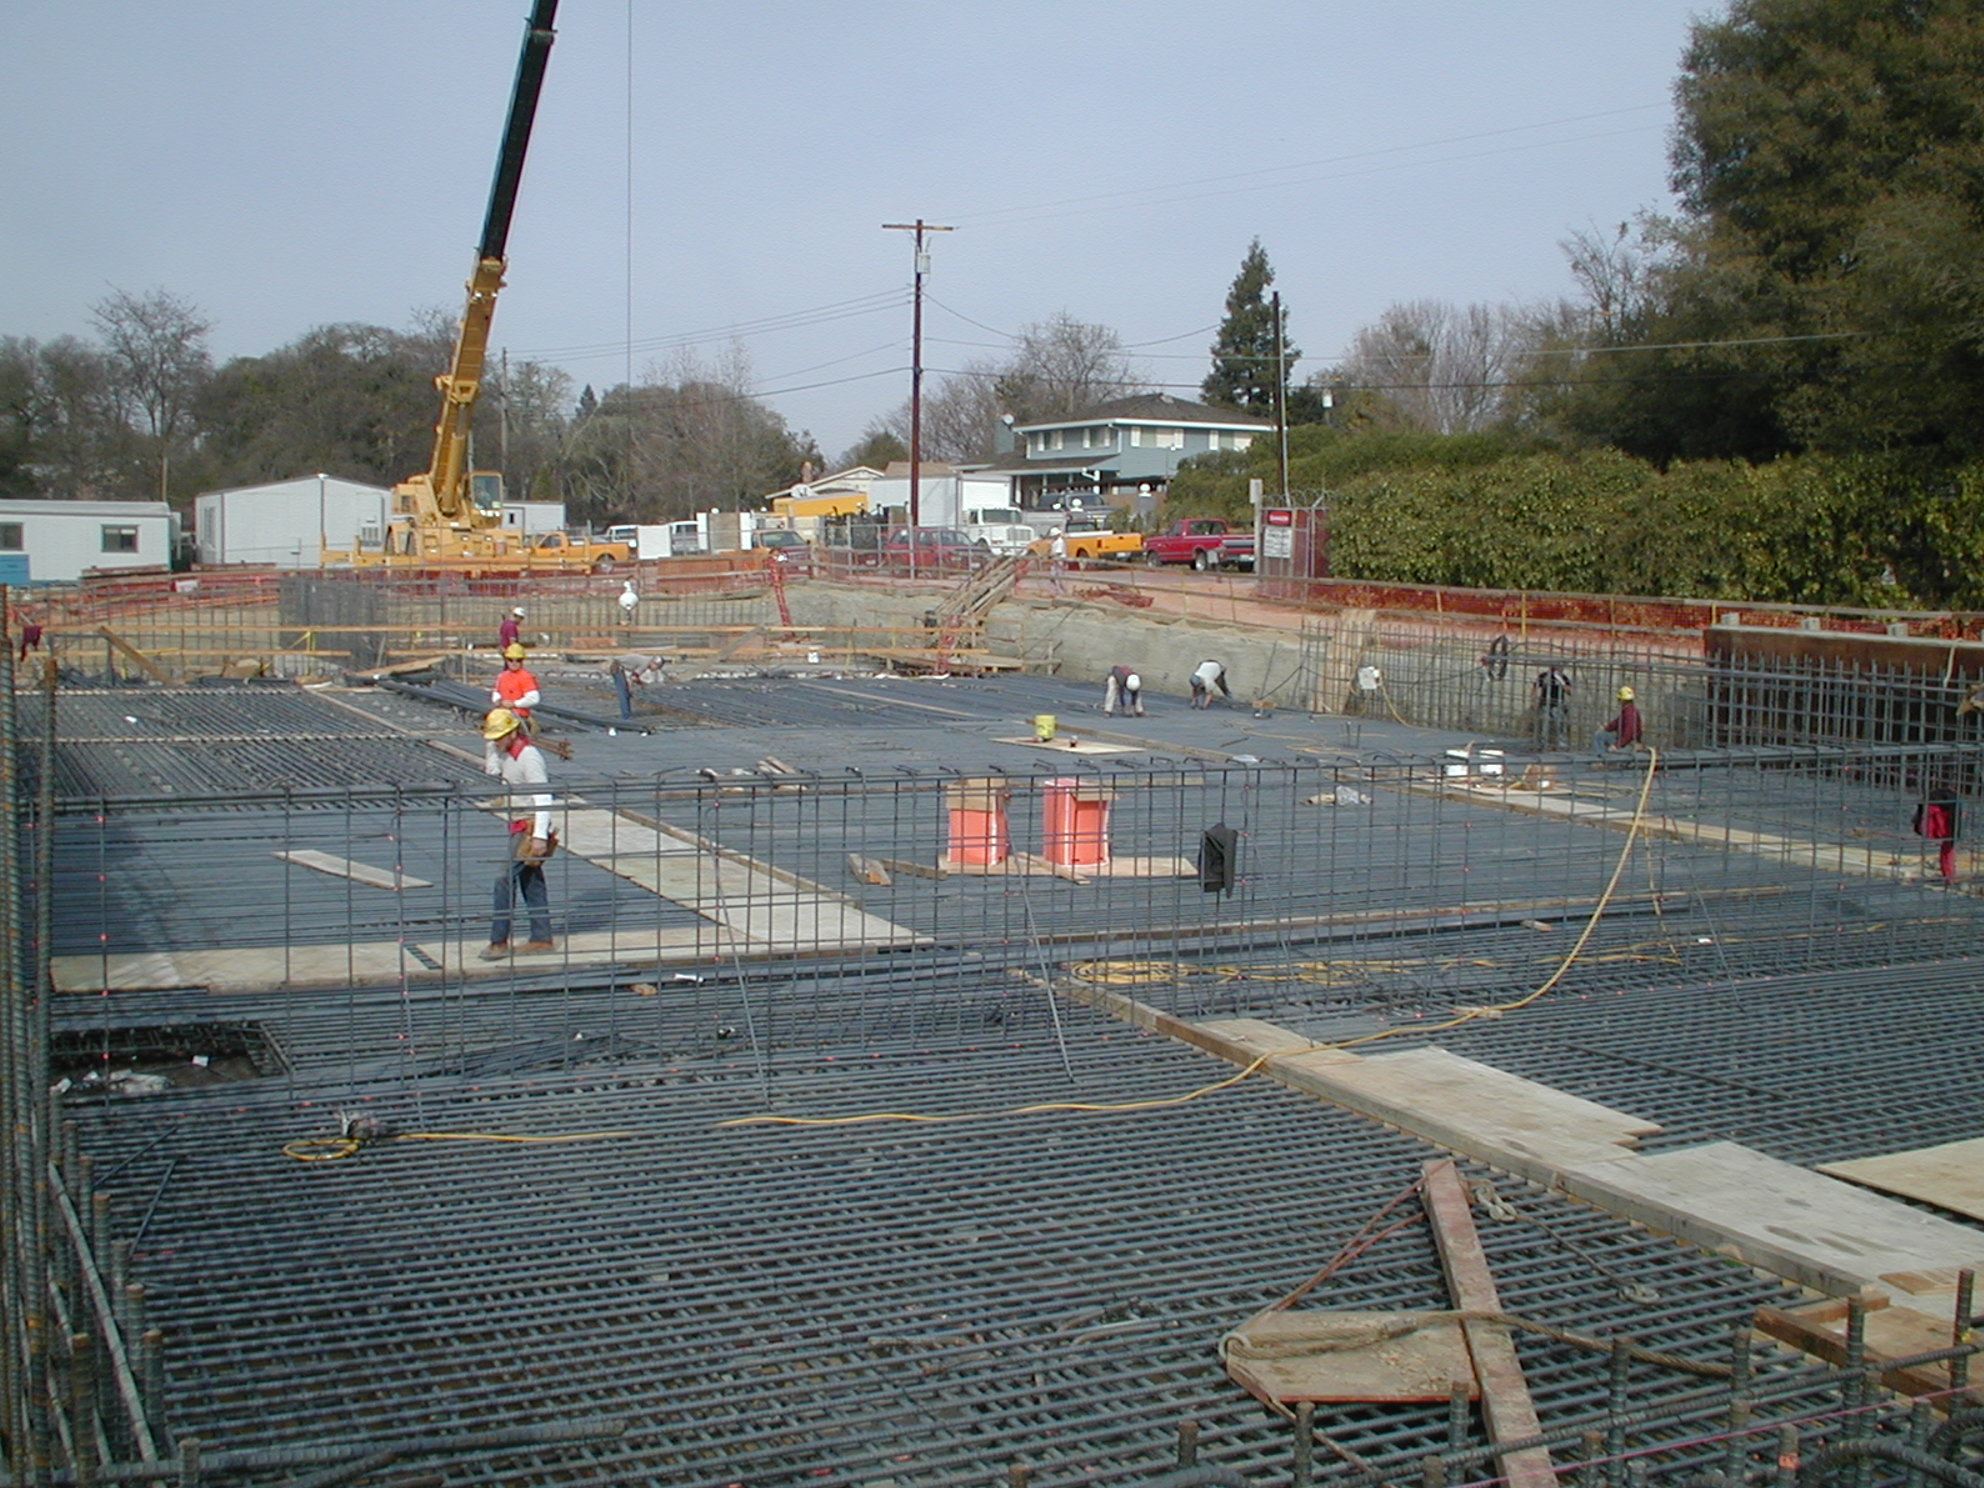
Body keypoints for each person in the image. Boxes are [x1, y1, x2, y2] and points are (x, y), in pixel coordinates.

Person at [481, 708, 555, 958]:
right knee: (531, 881)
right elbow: (492, 771)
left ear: (513, 733)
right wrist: (491, 747)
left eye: (499, 737)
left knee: (503, 878)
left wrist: (540, 836)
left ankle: (498, 941)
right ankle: (542, 938)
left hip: (529, 827)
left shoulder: (529, 757)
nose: (496, 742)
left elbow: (543, 795)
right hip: (517, 825)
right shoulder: (505, 754)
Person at [491, 643, 541, 725]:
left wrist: (514, 704)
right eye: (510, 660)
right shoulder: (502, 676)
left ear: (522, 661)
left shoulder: (526, 677)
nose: (514, 663)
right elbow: (496, 692)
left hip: (520, 718)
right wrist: (498, 701)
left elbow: (534, 698)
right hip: (502, 716)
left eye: (518, 660)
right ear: (506, 660)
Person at [605, 653, 664, 721]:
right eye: (657, 667)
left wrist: (631, 687)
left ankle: (627, 715)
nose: (656, 669)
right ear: (654, 663)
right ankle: (626, 718)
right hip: (616, 667)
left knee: (627, 694)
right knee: (623, 694)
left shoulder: (646, 661)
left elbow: (633, 676)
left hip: (621, 668)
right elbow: (634, 678)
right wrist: (641, 683)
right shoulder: (645, 663)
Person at [1595, 685, 1643, 759]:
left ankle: (1601, 759)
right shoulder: (1628, 711)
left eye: (1619, 699)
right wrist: (1606, 728)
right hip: (1625, 742)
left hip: (1628, 745)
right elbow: (1616, 723)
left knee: (1599, 736)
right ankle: (1602, 758)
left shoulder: (1630, 713)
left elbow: (1629, 733)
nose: (1619, 702)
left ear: (1623, 700)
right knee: (1601, 734)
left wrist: (1616, 745)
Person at [1535, 664, 1572, 749]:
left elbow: (1569, 691)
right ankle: (1543, 743)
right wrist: (1535, 701)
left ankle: (1561, 743)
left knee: (1560, 724)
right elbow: (1536, 688)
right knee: (1544, 725)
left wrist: (1561, 681)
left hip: (1558, 705)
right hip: (1545, 704)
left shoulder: (1563, 678)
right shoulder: (1544, 676)